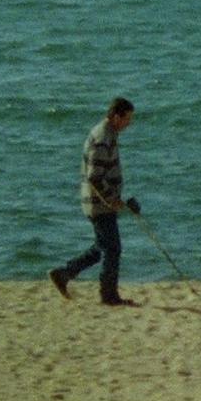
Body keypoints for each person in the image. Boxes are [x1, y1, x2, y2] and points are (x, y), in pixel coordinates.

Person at [50, 97, 139, 306]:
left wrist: (117, 199)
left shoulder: (110, 134)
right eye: (127, 118)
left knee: (102, 247)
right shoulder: (102, 138)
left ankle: (63, 274)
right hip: (99, 204)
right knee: (113, 248)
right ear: (117, 116)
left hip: (100, 202)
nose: (129, 123)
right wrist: (111, 200)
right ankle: (108, 296)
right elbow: (94, 177)